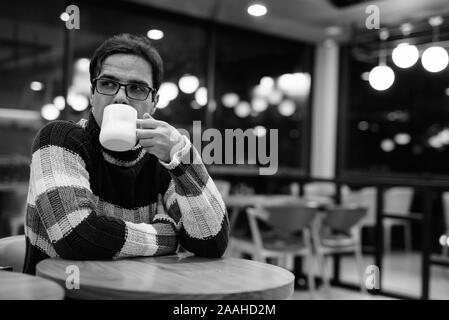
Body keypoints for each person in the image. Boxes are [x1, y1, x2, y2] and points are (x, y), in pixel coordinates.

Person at [23, 33, 229, 274]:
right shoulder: (59, 139)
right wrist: (170, 237)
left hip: (134, 291)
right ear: (93, 94)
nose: (120, 97)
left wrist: (181, 156)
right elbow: (76, 235)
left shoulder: (160, 160)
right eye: (108, 84)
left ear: (153, 102)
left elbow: (211, 242)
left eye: (137, 88)